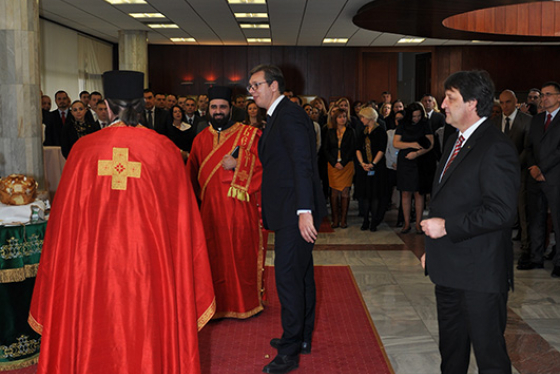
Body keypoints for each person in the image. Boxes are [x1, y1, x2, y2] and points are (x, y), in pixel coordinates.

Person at [29, 70, 216, 374]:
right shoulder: (164, 151)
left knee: (92, 329)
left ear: (109, 107)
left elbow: (63, 227)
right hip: (150, 272)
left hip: (91, 271)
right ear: (142, 105)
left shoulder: (83, 151)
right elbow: (183, 225)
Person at [421, 70, 519, 374]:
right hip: (449, 267)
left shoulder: (495, 146)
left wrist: (446, 227)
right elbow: (449, 199)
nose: (443, 104)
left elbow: (502, 211)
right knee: (451, 352)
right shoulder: (455, 140)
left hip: (480, 274)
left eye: (450, 98)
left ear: (472, 103)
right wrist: (433, 250)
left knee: (489, 356)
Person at [249, 64, 327, 374]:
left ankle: (291, 349)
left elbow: (302, 164)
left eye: (256, 85)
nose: (251, 91)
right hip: (288, 209)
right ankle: (301, 337)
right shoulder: (278, 116)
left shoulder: (290, 115)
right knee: (302, 275)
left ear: (274, 86)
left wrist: (304, 211)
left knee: (288, 279)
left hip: (295, 212)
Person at [187, 86, 265, 319]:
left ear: (231, 108)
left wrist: (239, 164)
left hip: (239, 207)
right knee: (212, 256)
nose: (218, 111)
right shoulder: (200, 139)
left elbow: (265, 166)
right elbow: (190, 177)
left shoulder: (249, 135)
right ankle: (213, 305)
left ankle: (244, 303)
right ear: (208, 109)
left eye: (222, 107)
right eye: (214, 107)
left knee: (240, 254)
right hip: (209, 211)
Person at [523, 81, 560, 276]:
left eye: (548, 94)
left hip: (554, 177)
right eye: (543, 95)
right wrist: (532, 167)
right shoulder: (536, 120)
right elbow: (528, 147)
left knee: (557, 220)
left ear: (559, 97)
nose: (544, 98)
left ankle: (559, 262)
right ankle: (536, 258)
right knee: (535, 219)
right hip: (535, 177)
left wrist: (542, 168)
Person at [393, 102, 435, 234]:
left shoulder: (425, 124)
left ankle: (418, 223)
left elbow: (430, 144)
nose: (416, 118)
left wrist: (416, 153)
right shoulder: (403, 124)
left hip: (420, 160)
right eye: (414, 116)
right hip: (405, 161)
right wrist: (412, 144)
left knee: (418, 192)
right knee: (405, 192)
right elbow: (396, 143)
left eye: (418, 116)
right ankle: (406, 223)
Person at [355, 107, 388, 231]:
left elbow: (381, 149)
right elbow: (357, 148)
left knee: (375, 194)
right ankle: (365, 220)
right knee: (365, 194)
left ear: (369, 117)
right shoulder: (363, 132)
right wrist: (362, 163)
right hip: (364, 167)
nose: (361, 120)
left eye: (363, 117)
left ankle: (374, 220)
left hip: (377, 167)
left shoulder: (380, 131)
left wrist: (373, 163)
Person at [324, 108, 356, 229]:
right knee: (334, 192)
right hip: (333, 165)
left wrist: (343, 162)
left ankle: (344, 220)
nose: (342, 119)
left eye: (344, 116)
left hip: (346, 165)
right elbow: (325, 149)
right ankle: (335, 219)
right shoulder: (329, 132)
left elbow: (352, 148)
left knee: (345, 191)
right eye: (340, 117)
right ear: (335, 119)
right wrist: (334, 162)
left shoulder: (350, 131)